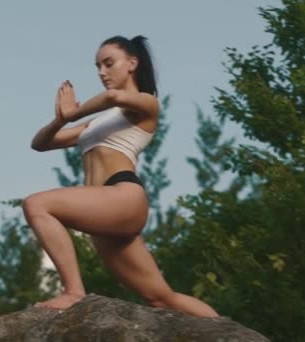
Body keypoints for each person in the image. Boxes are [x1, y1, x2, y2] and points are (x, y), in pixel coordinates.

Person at [22, 35, 219, 318]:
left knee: (37, 204)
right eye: (97, 67)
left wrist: (74, 111)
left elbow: (114, 97)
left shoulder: (146, 103)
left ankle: (74, 291)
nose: (102, 72)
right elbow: (40, 144)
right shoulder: (98, 123)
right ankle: (225, 330)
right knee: (162, 298)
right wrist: (61, 119)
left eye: (108, 63)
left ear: (132, 63)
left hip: (122, 196)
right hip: (104, 218)